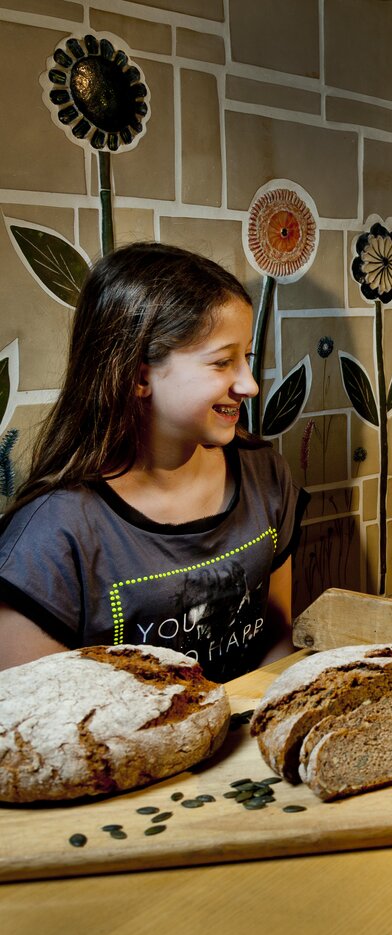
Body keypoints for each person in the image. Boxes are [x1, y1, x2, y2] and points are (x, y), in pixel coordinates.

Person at [0, 242, 309, 679]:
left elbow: (278, 641)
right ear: (140, 375)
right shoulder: (51, 538)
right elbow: (35, 721)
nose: (250, 385)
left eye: (247, 359)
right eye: (223, 362)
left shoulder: (265, 475)